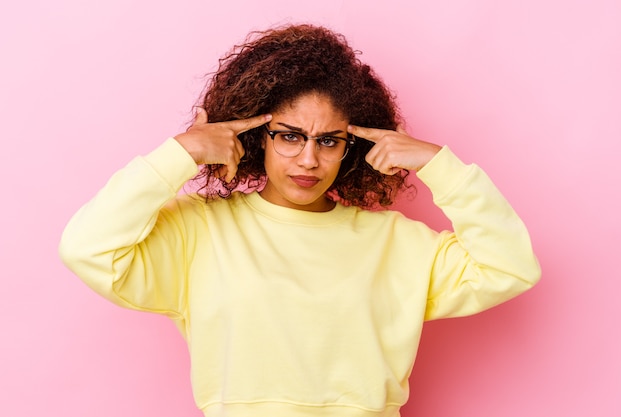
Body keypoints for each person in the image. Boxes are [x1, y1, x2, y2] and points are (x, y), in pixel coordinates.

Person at [59, 24, 540, 417]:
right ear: (257, 138)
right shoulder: (198, 232)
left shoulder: (396, 242)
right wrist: (179, 154)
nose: (309, 159)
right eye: (289, 136)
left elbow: (510, 267)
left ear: (352, 148)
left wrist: (441, 165)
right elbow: (88, 248)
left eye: (329, 140)